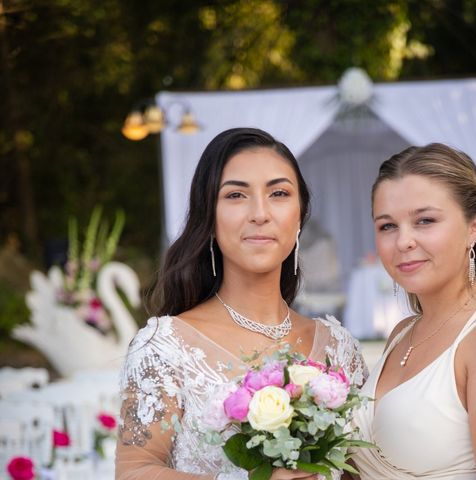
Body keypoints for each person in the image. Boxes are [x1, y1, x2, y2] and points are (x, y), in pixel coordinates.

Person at [115, 128, 367, 480]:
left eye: (279, 193)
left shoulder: (339, 351)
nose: (260, 213)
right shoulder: (164, 347)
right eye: (236, 195)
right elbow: (133, 471)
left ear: (299, 215)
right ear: (209, 216)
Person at [349, 143, 476, 479]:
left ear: (474, 226)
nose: (403, 242)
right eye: (387, 226)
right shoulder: (402, 333)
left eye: (425, 220)